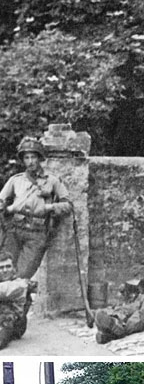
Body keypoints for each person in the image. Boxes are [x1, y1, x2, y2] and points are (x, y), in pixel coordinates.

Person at [0, 137, 71, 278]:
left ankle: (20, 298)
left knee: (22, 275)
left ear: (39, 158)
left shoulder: (52, 181)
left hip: (37, 234)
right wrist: (9, 209)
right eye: (27, 157)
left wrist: (49, 207)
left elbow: (68, 206)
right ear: (23, 160)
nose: (30, 161)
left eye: (34, 157)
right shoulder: (16, 180)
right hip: (14, 231)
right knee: (4, 272)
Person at [0, 250, 34, 350]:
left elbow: (5, 290)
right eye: (1, 268)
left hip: (14, 324)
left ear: (14, 268)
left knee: (6, 315)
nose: (5, 270)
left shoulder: (21, 284)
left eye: (8, 266)